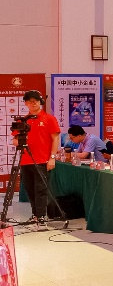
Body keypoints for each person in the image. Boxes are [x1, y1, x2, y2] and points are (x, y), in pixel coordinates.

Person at [15, 91, 60, 223]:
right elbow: (15, 139)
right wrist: (19, 141)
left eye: (35, 100)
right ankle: (35, 214)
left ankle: (41, 216)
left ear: (41, 102)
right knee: (29, 189)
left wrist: (52, 157)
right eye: (29, 101)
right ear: (26, 103)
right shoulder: (23, 121)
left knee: (40, 189)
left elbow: (55, 139)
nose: (33, 103)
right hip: (25, 160)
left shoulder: (49, 119)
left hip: (42, 160)